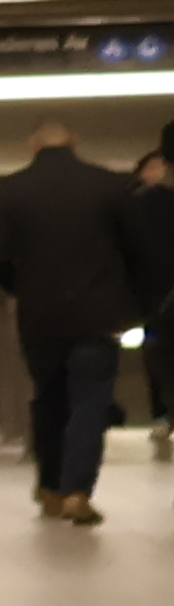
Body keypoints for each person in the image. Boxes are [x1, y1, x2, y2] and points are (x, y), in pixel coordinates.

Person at [0, 119, 137, 526]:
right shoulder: (109, 185)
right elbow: (135, 250)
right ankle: (77, 491)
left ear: (31, 143)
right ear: (76, 141)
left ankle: (49, 486)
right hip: (96, 314)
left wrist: (20, 287)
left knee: (48, 398)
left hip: (40, 315)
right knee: (90, 402)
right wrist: (130, 303)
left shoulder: (12, 189)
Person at [129, 142, 174, 465]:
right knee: (158, 355)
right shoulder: (135, 209)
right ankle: (163, 413)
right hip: (155, 302)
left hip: (157, 300)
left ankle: (165, 414)